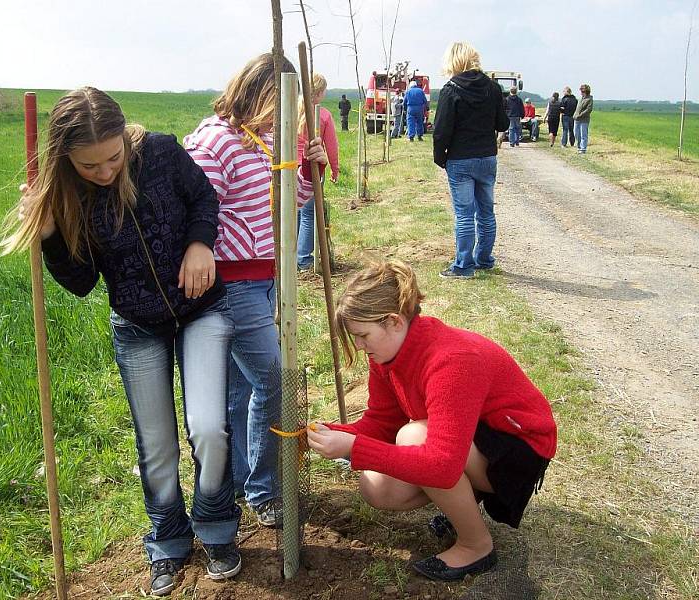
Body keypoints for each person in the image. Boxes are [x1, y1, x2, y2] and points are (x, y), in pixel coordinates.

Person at [0, 87, 241, 596]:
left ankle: (216, 527)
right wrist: (48, 237)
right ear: (66, 159)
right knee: (155, 445)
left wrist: (201, 243)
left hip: (201, 309)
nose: (106, 172)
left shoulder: (161, 153)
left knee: (209, 428)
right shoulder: (69, 195)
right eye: (90, 166)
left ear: (125, 139)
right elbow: (82, 281)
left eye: (113, 158)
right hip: (137, 326)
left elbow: (204, 198)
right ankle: (168, 540)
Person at [307, 260, 557, 582]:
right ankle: (466, 503)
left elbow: (442, 464)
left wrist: (355, 446)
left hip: (519, 451)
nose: (358, 345)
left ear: (394, 322)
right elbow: (382, 421)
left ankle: (475, 545)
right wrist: (334, 433)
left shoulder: (451, 361)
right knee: (378, 487)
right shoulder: (387, 354)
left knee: (414, 439)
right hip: (474, 439)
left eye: (362, 335)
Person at [183, 53, 328, 528]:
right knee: (275, 380)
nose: (288, 116)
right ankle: (265, 491)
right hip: (231, 283)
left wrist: (309, 171)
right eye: (284, 103)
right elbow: (195, 208)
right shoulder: (216, 140)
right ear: (263, 92)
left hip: (266, 277)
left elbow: (295, 201)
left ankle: (243, 482)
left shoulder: (267, 140)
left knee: (244, 388)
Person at [432, 41, 508, 279]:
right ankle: (484, 259)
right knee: (486, 212)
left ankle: (464, 265)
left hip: (460, 159)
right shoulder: (493, 88)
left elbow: (441, 130)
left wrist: (440, 157)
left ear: (453, 61)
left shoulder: (450, 89)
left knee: (464, 214)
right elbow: (503, 124)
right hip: (486, 157)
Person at [297, 72, 340, 271]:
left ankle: (291, 254)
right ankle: (304, 258)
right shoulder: (322, 115)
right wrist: (334, 169)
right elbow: (331, 145)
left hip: (289, 167)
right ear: (320, 92)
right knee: (309, 214)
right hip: (311, 167)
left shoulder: (292, 110)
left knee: (293, 212)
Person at [574, 84, 594, 154]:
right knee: (576, 133)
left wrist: (580, 115)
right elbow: (577, 108)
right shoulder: (580, 98)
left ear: (585, 91)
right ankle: (579, 146)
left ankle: (583, 149)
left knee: (583, 134)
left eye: (582, 91)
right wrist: (575, 115)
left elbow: (588, 110)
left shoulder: (589, 99)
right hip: (576, 119)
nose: (581, 92)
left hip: (584, 120)